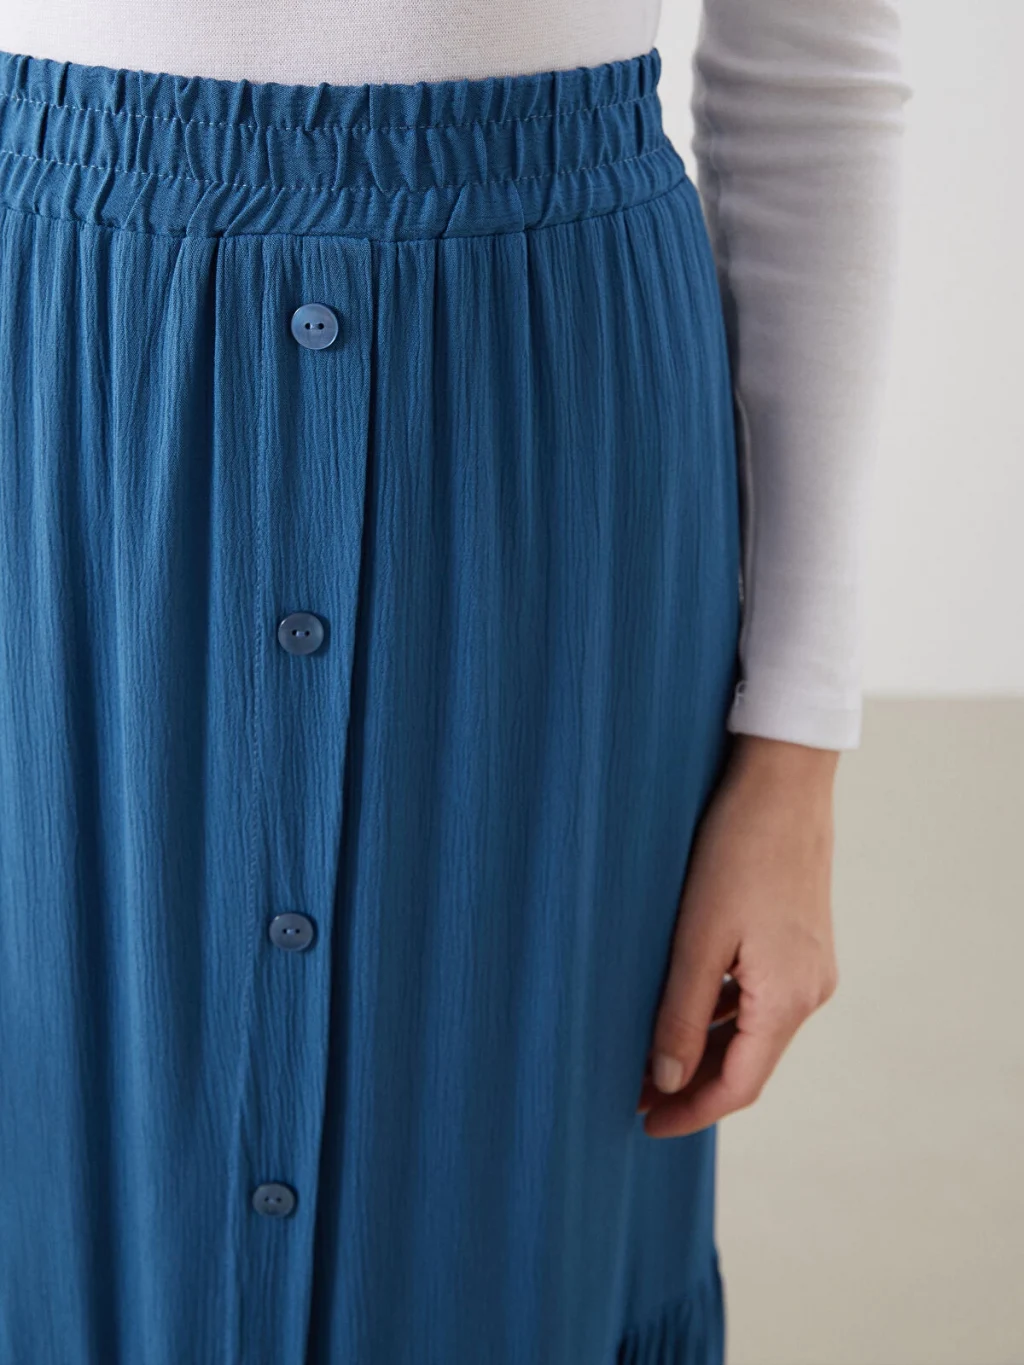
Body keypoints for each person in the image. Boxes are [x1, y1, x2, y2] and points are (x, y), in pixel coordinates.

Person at [0, 2, 912, 1362]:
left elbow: (811, 80)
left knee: (504, 1228)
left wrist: (793, 759)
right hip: (70, 397)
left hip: (543, 442)